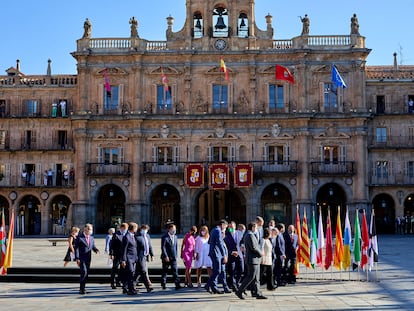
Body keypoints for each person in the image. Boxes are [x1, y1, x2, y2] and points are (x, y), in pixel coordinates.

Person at [235, 222, 267, 300]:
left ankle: (257, 292)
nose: (256, 229)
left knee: (256, 278)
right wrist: (261, 253)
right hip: (252, 259)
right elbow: (254, 247)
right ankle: (239, 291)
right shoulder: (250, 235)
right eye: (255, 227)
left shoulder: (249, 235)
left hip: (255, 259)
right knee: (251, 276)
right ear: (252, 227)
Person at [75, 223, 100, 295]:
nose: (91, 231)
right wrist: (77, 258)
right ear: (85, 229)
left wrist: (96, 250)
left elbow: (92, 246)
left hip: (88, 258)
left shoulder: (91, 238)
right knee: (84, 272)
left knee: (86, 273)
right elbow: (76, 249)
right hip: (81, 258)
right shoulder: (79, 238)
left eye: (91, 229)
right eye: (89, 229)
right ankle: (81, 289)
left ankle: (83, 288)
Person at [205, 219, 228, 294]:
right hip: (216, 253)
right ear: (222, 225)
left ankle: (213, 287)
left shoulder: (213, 230)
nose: (225, 228)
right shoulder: (218, 231)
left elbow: (209, 241)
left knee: (216, 270)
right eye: (225, 227)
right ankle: (208, 285)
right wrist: (224, 255)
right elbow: (219, 243)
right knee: (217, 270)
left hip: (214, 253)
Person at [160, 223, 182, 290]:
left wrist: (176, 255)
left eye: (175, 229)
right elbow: (163, 247)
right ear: (169, 229)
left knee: (175, 270)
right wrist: (166, 256)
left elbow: (175, 247)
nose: (174, 231)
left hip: (173, 257)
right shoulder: (164, 237)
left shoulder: (175, 237)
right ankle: (163, 283)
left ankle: (177, 284)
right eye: (173, 229)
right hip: (166, 257)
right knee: (165, 271)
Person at [134, 225, 154, 293]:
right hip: (139, 256)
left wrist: (152, 254)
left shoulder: (147, 236)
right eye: (144, 229)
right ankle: (148, 287)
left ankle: (130, 286)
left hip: (145, 256)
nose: (145, 230)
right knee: (143, 271)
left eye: (146, 229)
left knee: (137, 272)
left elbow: (149, 245)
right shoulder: (137, 236)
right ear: (141, 229)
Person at [223, 221, 243, 292]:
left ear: (235, 226)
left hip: (239, 255)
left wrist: (243, 247)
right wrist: (231, 252)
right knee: (232, 271)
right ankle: (234, 285)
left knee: (241, 269)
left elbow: (243, 242)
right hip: (231, 256)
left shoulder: (239, 233)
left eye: (232, 226)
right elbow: (225, 246)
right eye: (229, 227)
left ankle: (236, 282)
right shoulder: (226, 235)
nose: (230, 228)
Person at [121, 222, 139, 295]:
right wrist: (123, 260)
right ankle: (130, 289)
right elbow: (124, 249)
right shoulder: (126, 237)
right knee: (130, 273)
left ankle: (126, 288)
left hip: (133, 258)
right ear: (133, 228)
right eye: (136, 228)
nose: (137, 229)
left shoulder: (133, 236)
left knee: (130, 273)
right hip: (128, 258)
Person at [109, 222, 128, 290]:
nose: (126, 230)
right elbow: (112, 245)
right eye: (125, 229)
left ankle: (118, 281)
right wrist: (111, 254)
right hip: (117, 255)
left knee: (122, 269)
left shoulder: (126, 234)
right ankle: (112, 283)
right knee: (115, 268)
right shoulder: (116, 234)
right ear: (121, 228)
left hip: (124, 255)